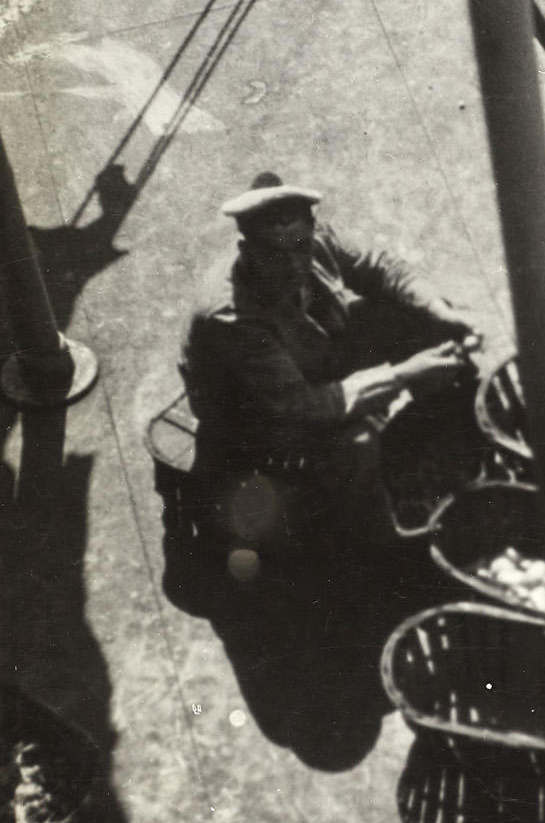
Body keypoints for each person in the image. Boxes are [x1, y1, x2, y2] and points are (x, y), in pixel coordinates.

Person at [180, 173, 481, 549]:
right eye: (275, 253)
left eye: (300, 247)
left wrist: (438, 308)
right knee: (355, 445)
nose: (293, 264)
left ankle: (446, 442)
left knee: (425, 320)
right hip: (256, 418)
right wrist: (403, 377)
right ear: (248, 251)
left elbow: (380, 266)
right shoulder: (231, 318)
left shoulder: (316, 243)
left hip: (309, 363)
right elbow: (301, 406)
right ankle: (377, 545)